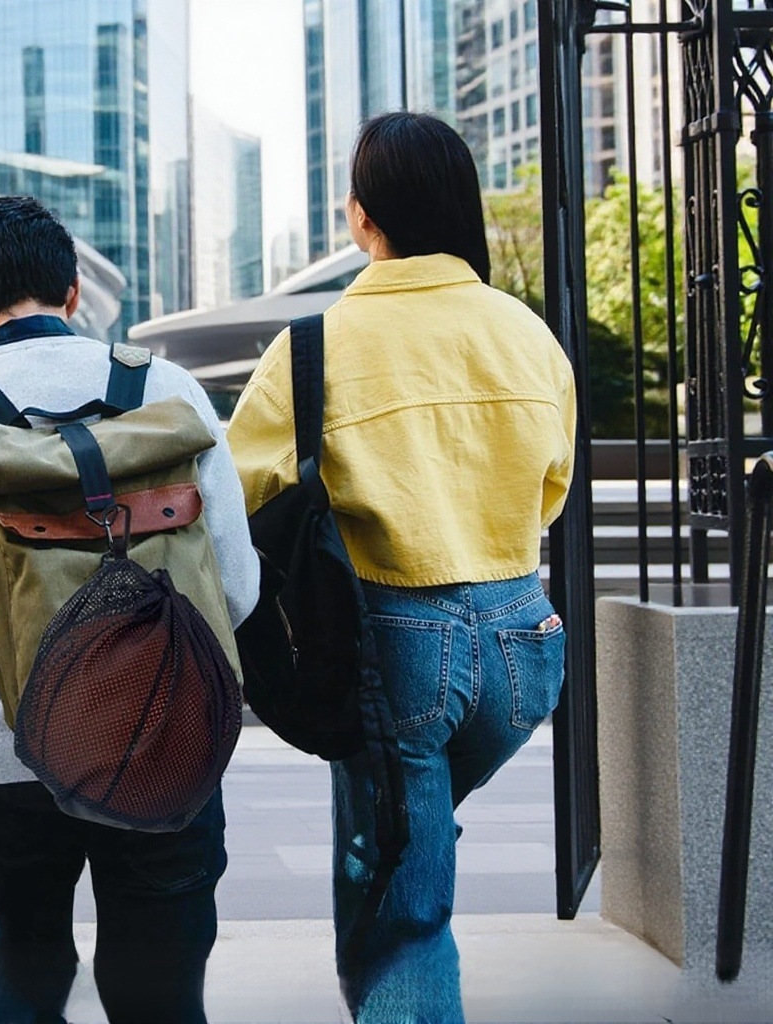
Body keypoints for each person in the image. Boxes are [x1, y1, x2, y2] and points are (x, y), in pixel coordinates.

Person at [226, 112, 576, 1023]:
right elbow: (552, 487)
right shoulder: (529, 336)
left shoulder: (313, 347)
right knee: (397, 834)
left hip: (396, 650)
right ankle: (404, 850)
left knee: (408, 915)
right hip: (525, 644)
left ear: (360, 216)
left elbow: (235, 496)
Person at [0, 195, 259, 1024]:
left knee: (25, 951)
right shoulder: (172, 391)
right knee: (160, 974)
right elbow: (235, 591)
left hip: (16, 753)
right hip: (171, 736)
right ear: (75, 293)